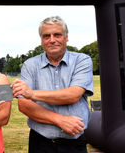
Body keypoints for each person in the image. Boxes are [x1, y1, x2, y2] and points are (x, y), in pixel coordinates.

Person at [12, 16, 93, 153]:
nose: (52, 40)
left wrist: (31, 93)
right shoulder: (30, 65)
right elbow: (24, 105)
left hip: (74, 143)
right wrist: (59, 120)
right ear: (42, 40)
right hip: (40, 142)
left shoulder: (82, 60)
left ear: (66, 37)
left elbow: (72, 95)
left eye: (57, 35)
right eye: (46, 36)